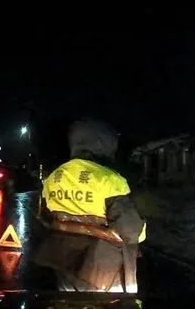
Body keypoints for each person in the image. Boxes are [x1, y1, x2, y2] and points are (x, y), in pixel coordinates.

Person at [32, 118, 147, 293]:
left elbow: (44, 220)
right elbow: (131, 232)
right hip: (104, 274)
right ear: (104, 144)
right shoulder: (109, 179)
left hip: (63, 266)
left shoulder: (53, 178)